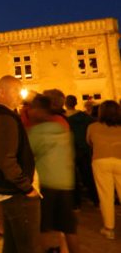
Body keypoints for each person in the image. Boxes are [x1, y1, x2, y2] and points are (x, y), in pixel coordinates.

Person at [0, 75, 41, 253]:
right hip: (16, 192)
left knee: (13, 245)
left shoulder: (5, 116)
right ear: (1, 92)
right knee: (27, 245)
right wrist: (26, 187)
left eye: (20, 90)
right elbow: (6, 160)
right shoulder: (4, 118)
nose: (20, 96)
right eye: (15, 90)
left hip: (11, 190)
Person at [27, 94, 79, 253]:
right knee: (68, 227)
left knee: (43, 226)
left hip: (46, 184)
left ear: (38, 110)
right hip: (66, 183)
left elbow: (28, 157)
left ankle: (48, 250)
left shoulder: (34, 132)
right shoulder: (62, 129)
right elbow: (71, 155)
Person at [87, 100, 121, 240]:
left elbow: (89, 142)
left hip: (100, 161)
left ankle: (109, 228)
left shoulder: (93, 126)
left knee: (105, 195)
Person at [65, 95, 98, 209]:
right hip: (84, 149)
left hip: (70, 149)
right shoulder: (84, 117)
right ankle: (96, 200)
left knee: (73, 177)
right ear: (76, 102)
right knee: (88, 175)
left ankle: (76, 204)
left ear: (66, 104)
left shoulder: (63, 118)